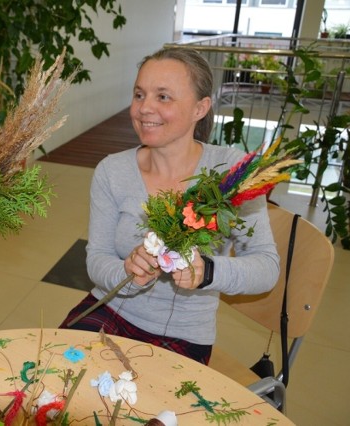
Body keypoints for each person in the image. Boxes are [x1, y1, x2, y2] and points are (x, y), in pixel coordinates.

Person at [60, 47, 279, 364]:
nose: (143, 108)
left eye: (163, 97)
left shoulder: (231, 174)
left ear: (199, 108)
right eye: (139, 94)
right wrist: (127, 271)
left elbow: (266, 268)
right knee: (54, 387)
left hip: (183, 334)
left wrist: (208, 271)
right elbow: (96, 259)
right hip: (109, 307)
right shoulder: (112, 170)